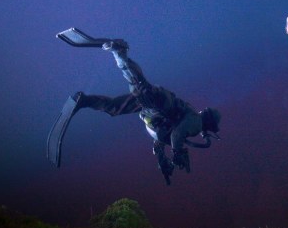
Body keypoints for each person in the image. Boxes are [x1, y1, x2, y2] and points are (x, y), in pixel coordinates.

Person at [47, 32, 221, 185]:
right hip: (160, 105)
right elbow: (177, 134)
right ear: (209, 124)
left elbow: (161, 138)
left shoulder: (189, 121)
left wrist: (163, 162)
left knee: (114, 107)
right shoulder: (196, 122)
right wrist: (177, 152)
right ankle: (120, 52)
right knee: (139, 86)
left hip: (153, 110)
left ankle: (83, 101)